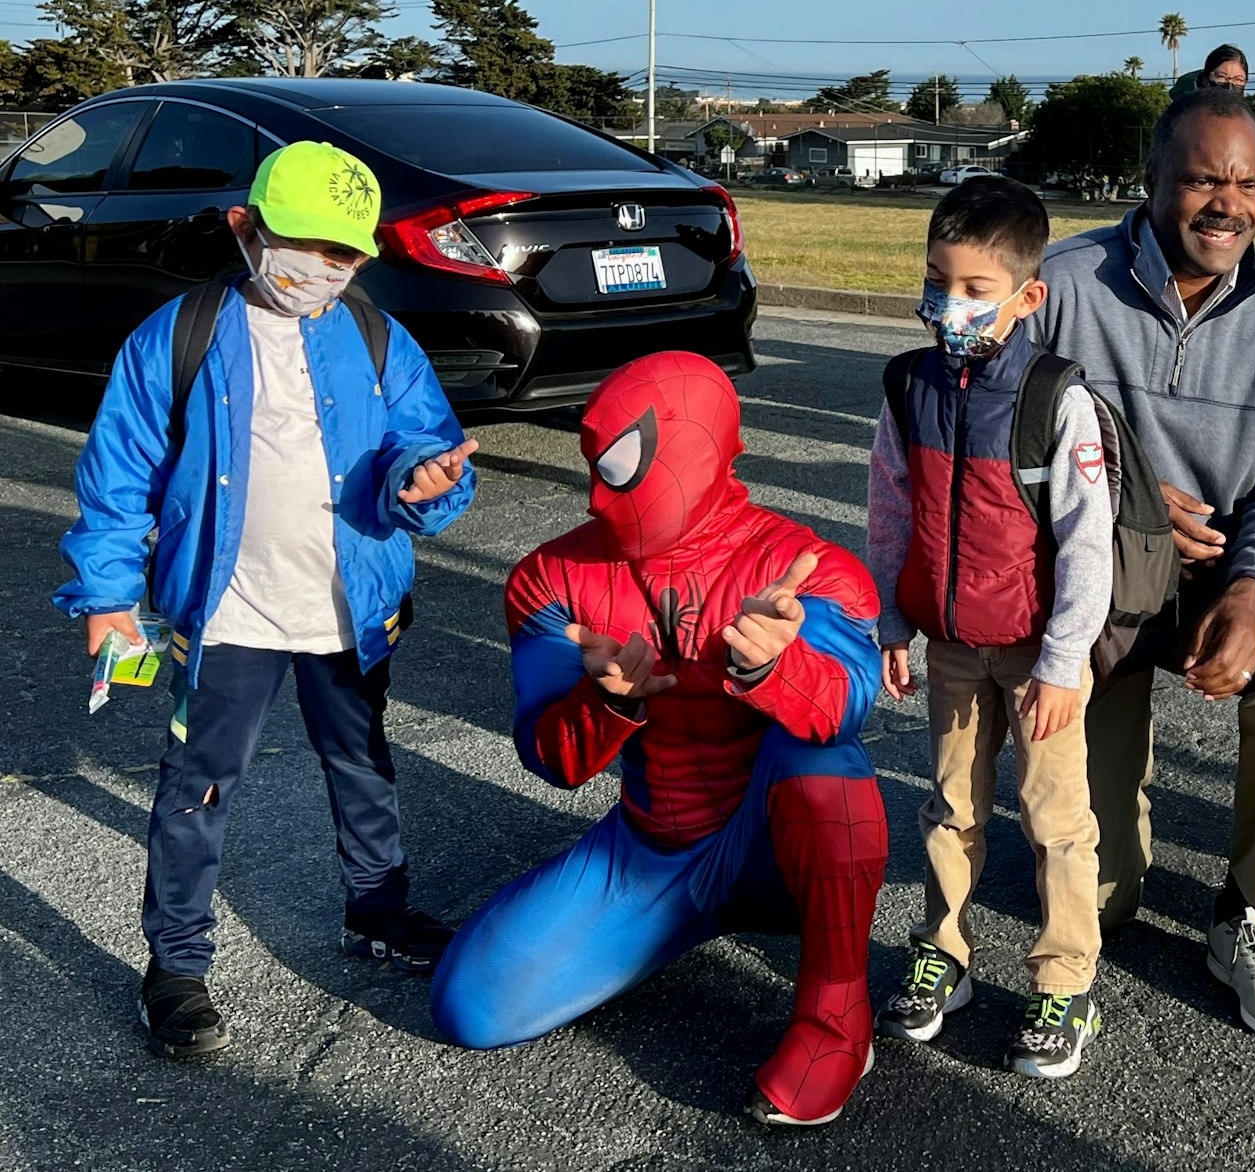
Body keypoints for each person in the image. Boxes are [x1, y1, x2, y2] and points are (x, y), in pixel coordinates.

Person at [53, 141, 478, 1060]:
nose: (323, 267)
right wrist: (106, 595)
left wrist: (425, 480)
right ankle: (174, 964)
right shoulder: (180, 334)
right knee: (197, 784)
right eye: (305, 243)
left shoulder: (375, 336)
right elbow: (119, 476)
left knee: (363, 764)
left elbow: (423, 441)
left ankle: (377, 910)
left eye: (347, 253)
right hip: (228, 611)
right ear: (247, 228)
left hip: (347, 608)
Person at [429, 352, 888, 1129]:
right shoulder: (553, 578)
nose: (602, 492)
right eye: (596, 463)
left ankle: (837, 1019)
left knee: (824, 770)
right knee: (472, 1007)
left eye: (624, 464)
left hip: (768, 848)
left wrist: (779, 665)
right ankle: (682, 919)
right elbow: (551, 758)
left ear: (698, 451)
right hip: (648, 851)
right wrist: (602, 703)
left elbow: (844, 711)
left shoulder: (804, 569)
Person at [1030, 87, 1255, 1042]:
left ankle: (1247, 913)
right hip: (1097, 578)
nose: (1228, 204)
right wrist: (1115, 488)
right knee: (1109, 897)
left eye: (1247, 183)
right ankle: (1104, 860)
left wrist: (1253, 596)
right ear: (1152, 181)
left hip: (1219, 576)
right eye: (1204, 178)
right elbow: (996, 438)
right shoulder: (1064, 284)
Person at [867, 177, 1113, 1078]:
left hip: (1039, 653)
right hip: (950, 645)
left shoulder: (1056, 401)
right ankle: (944, 951)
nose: (950, 304)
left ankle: (1065, 979)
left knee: (1057, 821)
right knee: (950, 806)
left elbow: (1089, 544)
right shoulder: (907, 385)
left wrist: (1061, 660)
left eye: (975, 289)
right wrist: (892, 620)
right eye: (939, 280)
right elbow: (890, 508)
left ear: (1027, 296)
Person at [1170, 43, 1251, 99]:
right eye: (1221, 77)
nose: (1230, 85)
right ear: (1206, 80)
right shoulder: (1188, 116)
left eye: (1238, 79)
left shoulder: (1248, 118)